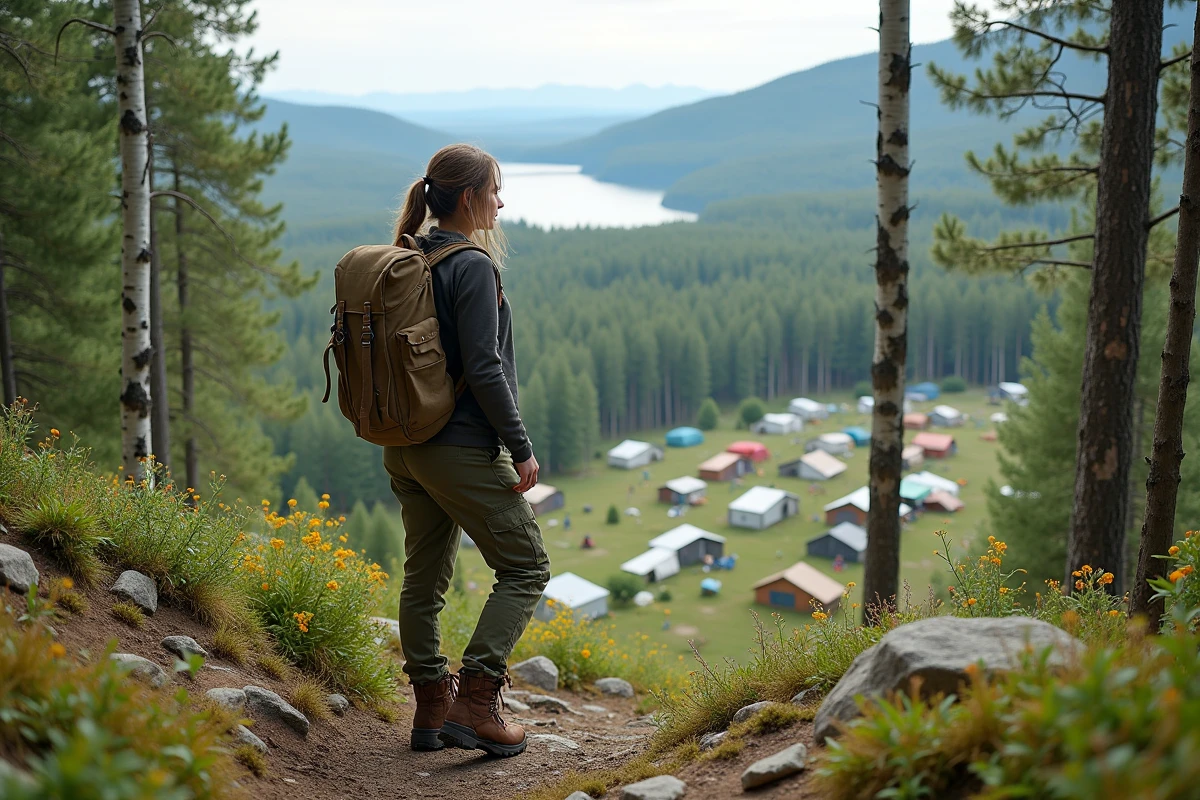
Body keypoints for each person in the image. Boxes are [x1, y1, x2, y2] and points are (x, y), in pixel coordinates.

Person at [383, 144, 549, 758]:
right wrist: (521, 446)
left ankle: (429, 709)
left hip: (405, 450)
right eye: (495, 190)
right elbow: (484, 367)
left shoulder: (412, 253)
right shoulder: (472, 264)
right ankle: (475, 705)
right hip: (456, 449)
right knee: (526, 566)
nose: (502, 202)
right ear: (470, 196)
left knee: (422, 580)